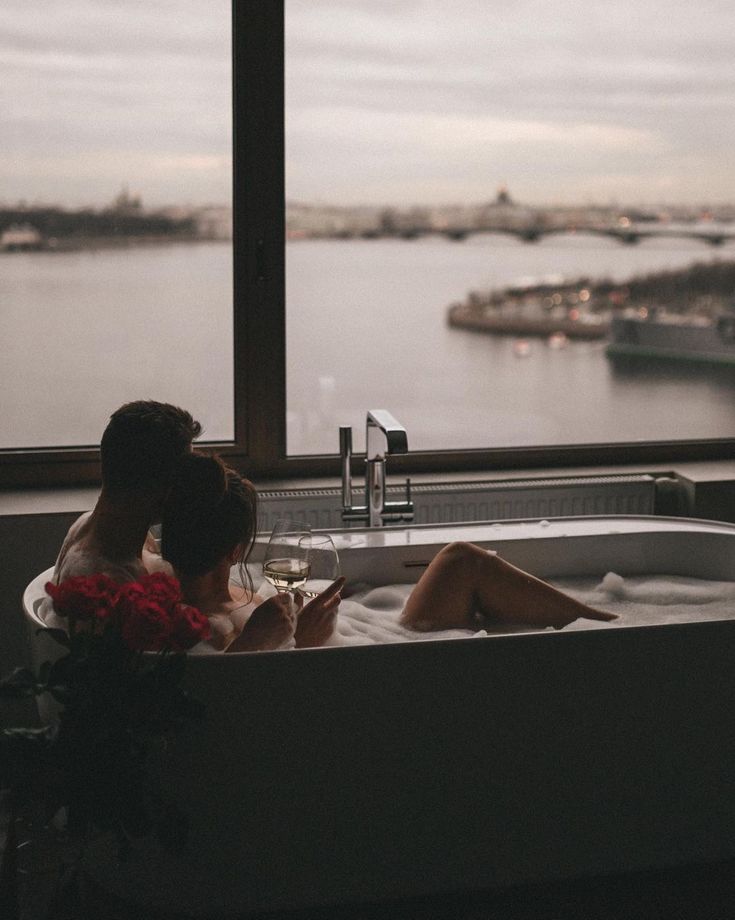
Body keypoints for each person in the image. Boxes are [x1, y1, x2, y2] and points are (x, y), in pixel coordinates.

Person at [160, 453, 343, 651]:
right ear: (236, 551)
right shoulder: (215, 631)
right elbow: (253, 681)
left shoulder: (153, 613)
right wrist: (301, 642)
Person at [52, 400, 201, 584]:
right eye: (183, 477)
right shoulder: (110, 586)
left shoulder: (88, 524)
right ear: (160, 486)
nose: (187, 487)